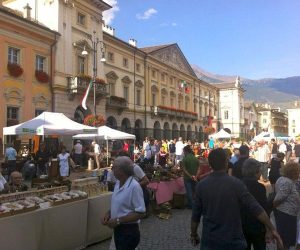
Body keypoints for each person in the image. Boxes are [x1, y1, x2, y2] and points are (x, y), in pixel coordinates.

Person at [190, 148, 283, 250]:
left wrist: (193, 234)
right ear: (226, 163)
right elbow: (256, 208)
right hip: (233, 240)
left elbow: (195, 216)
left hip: (210, 241)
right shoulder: (236, 184)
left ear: (210, 164)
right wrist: (271, 228)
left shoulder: (201, 186)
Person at [101, 156, 145, 250]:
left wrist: (117, 220)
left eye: (114, 167)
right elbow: (119, 204)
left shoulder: (134, 187)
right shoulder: (118, 183)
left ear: (121, 170)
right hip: (118, 230)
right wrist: (109, 213)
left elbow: (141, 213)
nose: (112, 169)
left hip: (129, 231)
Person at [241, 158, 268, 250]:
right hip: (257, 225)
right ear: (256, 172)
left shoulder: (238, 184)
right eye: (260, 171)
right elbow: (263, 208)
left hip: (242, 225)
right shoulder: (260, 187)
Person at [273, 162, 300, 250]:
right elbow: (278, 198)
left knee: (283, 239)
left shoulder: (282, 179)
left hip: (285, 213)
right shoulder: (288, 182)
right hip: (286, 215)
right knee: (285, 241)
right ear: (294, 172)